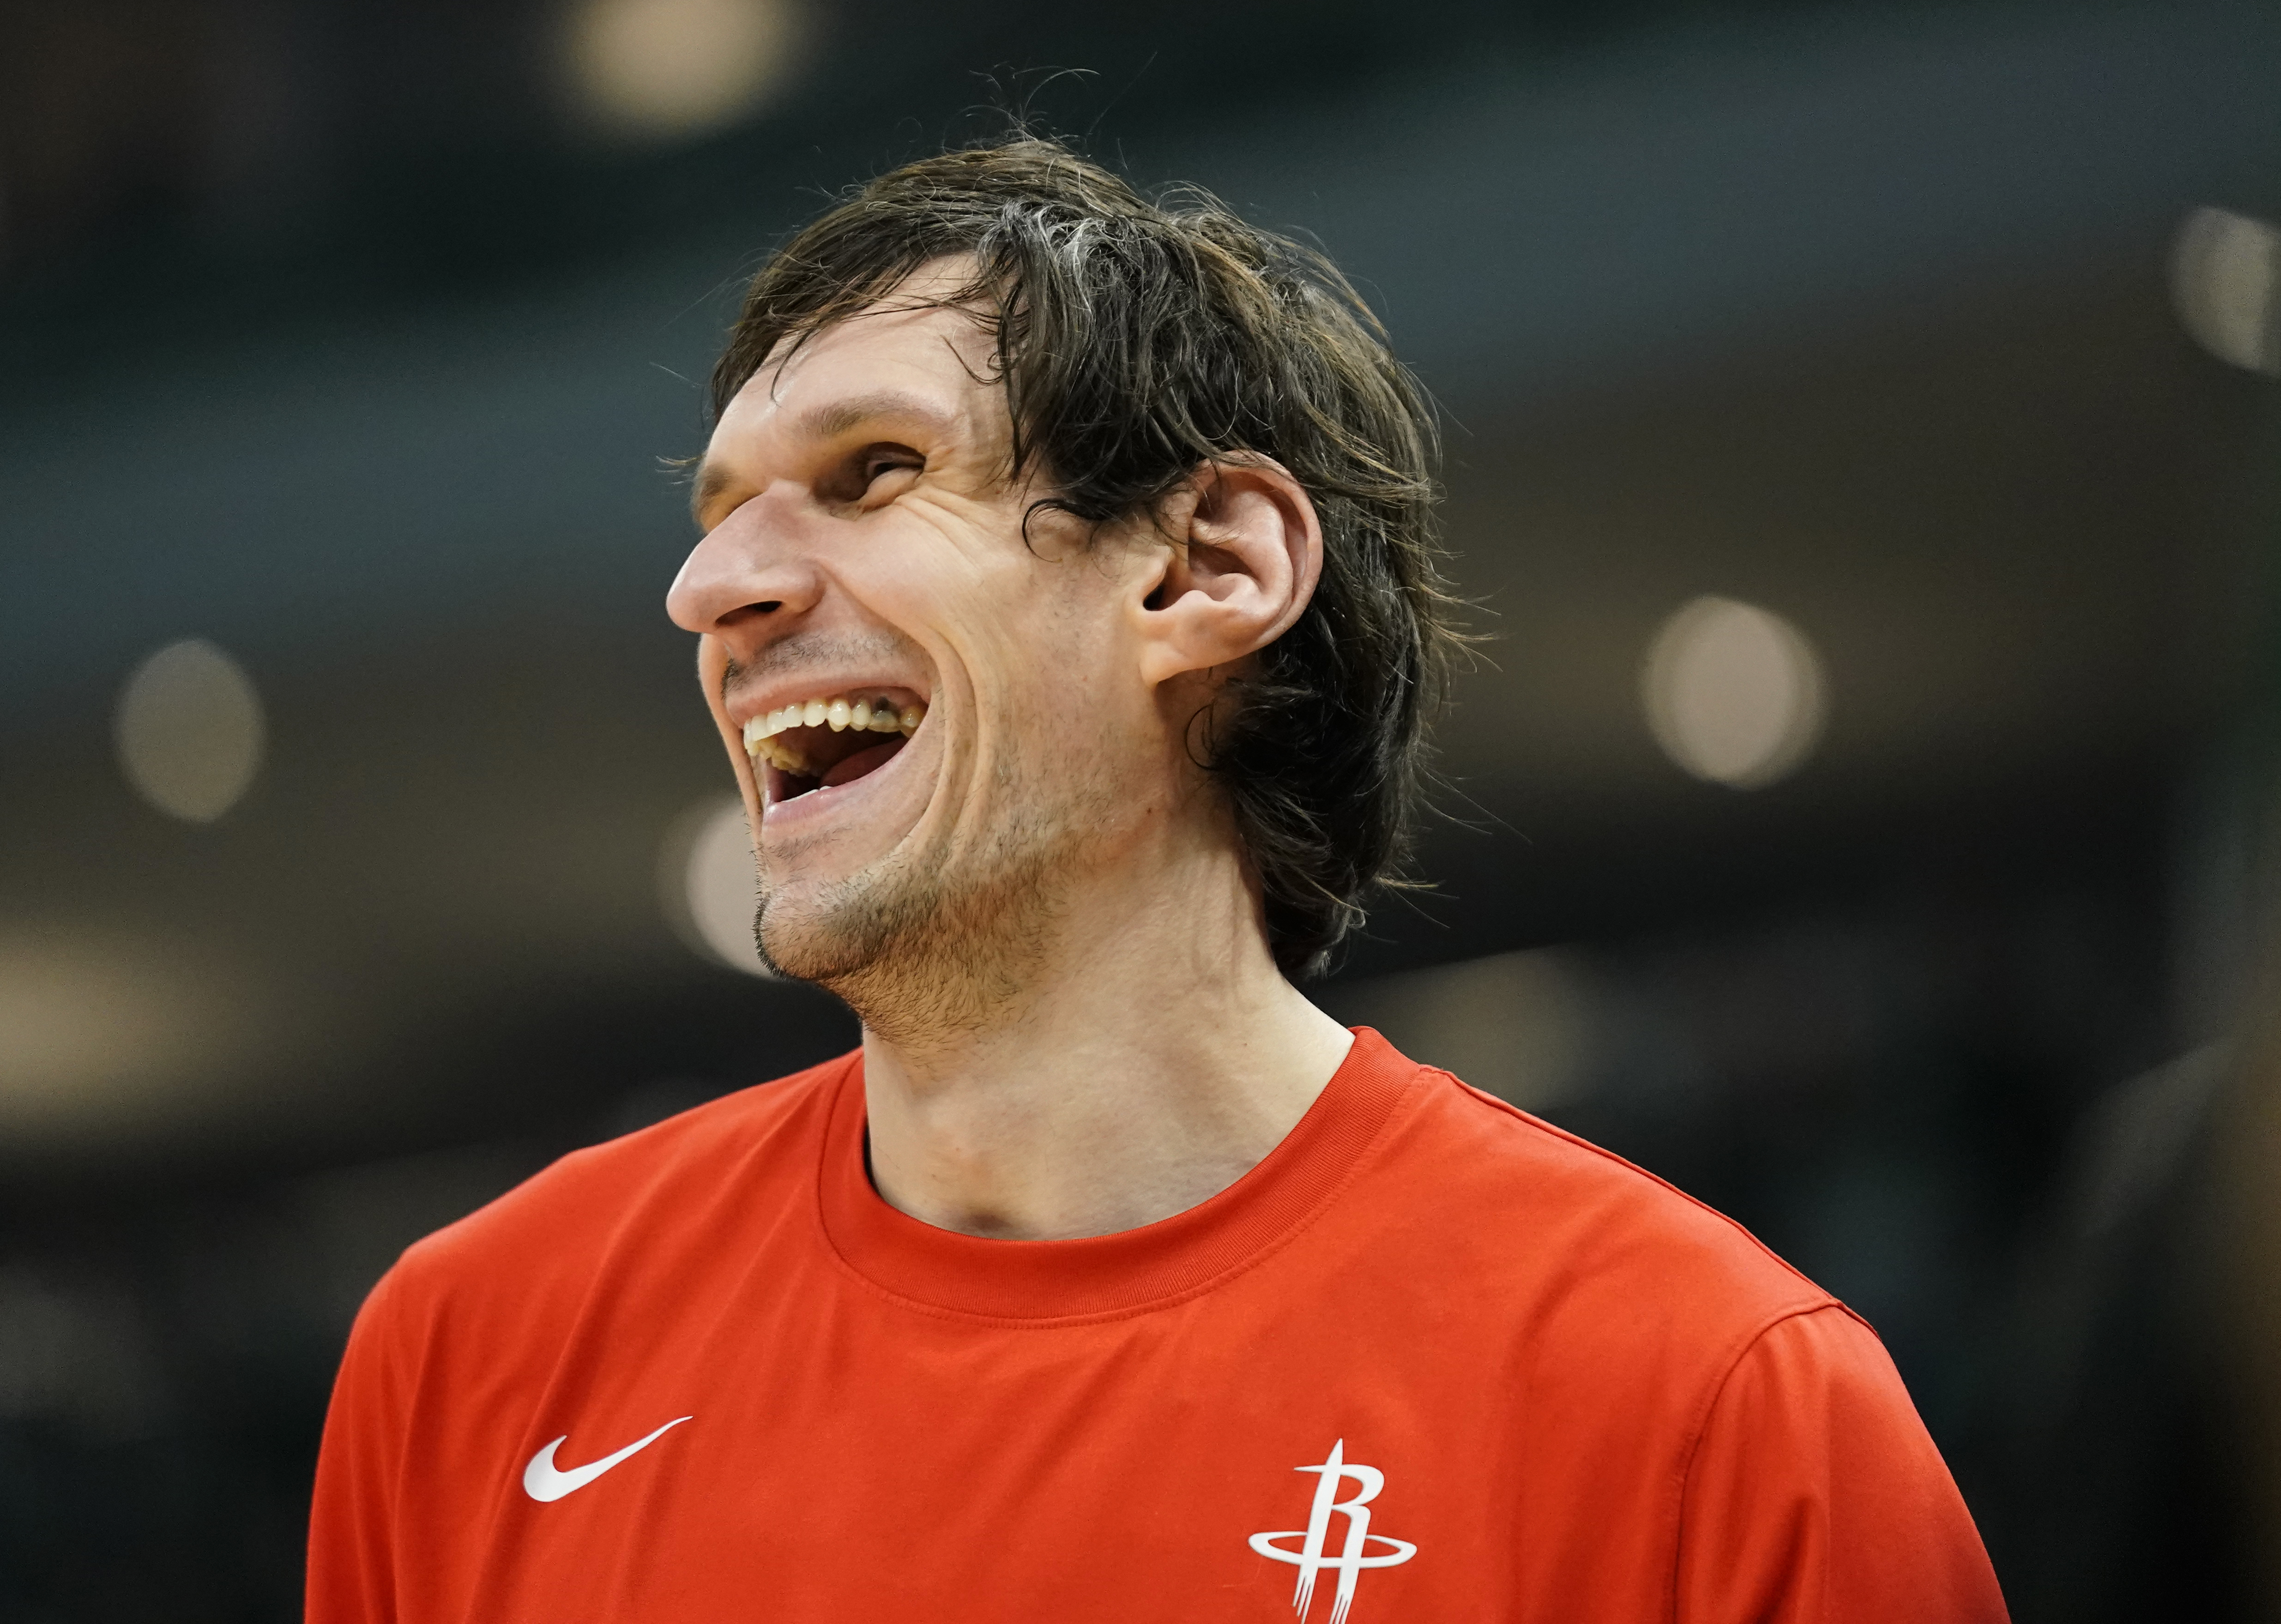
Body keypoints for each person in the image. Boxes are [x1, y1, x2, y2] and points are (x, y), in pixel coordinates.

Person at [306, 138, 2008, 1623]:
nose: (711, 587)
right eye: (723, 509)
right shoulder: (474, 1356)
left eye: (872, 474)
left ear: (1206, 566)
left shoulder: (1704, 1409)